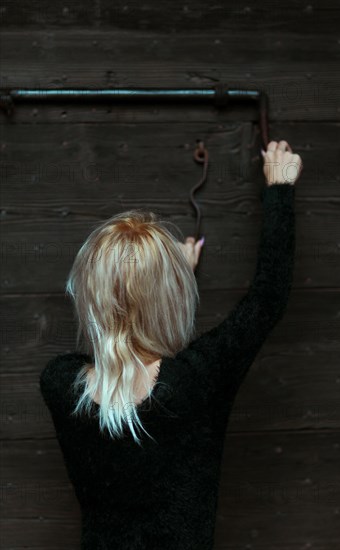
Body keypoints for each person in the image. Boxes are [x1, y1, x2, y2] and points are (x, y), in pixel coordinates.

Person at [39, 140, 303, 549]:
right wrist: (280, 188)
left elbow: (125, 351)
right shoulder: (195, 381)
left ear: (90, 293)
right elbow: (266, 299)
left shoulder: (58, 385)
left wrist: (169, 280)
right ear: (169, 295)